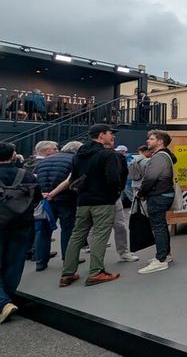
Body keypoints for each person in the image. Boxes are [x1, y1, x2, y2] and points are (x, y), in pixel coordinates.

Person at [59, 123, 124, 288]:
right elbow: (114, 179)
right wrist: (115, 192)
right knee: (100, 235)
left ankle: (67, 273)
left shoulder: (78, 155)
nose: (113, 136)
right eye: (110, 133)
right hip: (103, 201)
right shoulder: (107, 154)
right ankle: (96, 272)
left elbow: (73, 178)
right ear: (101, 135)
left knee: (77, 235)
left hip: (83, 201)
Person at [0, 142, 41, 324]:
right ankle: (7, 298)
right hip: (21, 224)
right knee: (15, 262)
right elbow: (37, 197)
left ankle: (3, 302)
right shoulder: (27, 175)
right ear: (13, 155)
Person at [32, 141, 83, 271]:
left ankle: (40, 261)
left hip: (45, 199)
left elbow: (34, 178)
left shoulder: (44, 161)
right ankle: (68, 258)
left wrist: (43, 193)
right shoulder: (74, 160)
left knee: (43, 230)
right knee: (68, 229)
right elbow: (72, 180)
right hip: (66, 198)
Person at [137, 130, 177, 274]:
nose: (148, 141)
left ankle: (160, 259)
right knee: (161, 225)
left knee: (158, 226)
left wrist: (141, 193)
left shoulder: (159, 157)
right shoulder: (165, 156)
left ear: (160, 142)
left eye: (151, 139)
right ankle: (165, 255)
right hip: (164, 194)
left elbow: (150, 178)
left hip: (158, 195)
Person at [110, 145, 138, 263]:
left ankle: (123, 252)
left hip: (113, 194)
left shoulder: (120, 158)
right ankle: (123, 252)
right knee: (119, 225)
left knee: (119, 225)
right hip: (112, 194)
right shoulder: (118, 158)